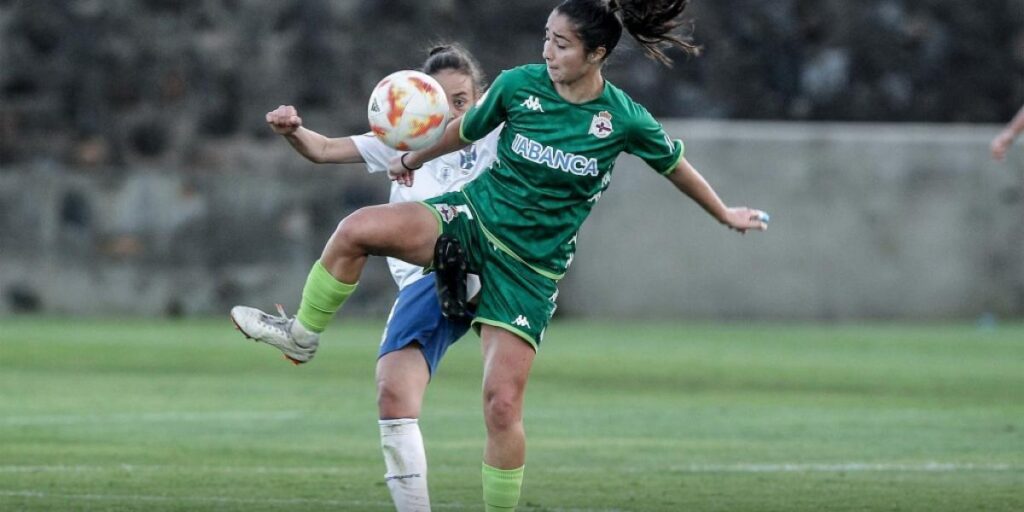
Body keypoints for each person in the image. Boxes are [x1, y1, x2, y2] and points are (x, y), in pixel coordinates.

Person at [233, 1, 769, 510]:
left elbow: (674, 164)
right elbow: (465, 130)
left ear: (596, 54)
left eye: (561, 44)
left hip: (530, 270)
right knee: (357, 229)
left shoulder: (622, 119)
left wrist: (723, 213)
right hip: (472, 221)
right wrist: (411, 156)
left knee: (502, 405)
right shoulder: (519, 85)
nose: (548, 52)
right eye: (546, 39)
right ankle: (302, 337)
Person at [232, 44, 500, 512]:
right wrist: (293, 130)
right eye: (444, 100)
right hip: (427, 281)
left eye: (462, 100)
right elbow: (323, 149)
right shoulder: (406, 135)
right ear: (424, 98)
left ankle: (301, 334)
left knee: (357, 229)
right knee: (393, 393)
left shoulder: (494, 130)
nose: (454, 110)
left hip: (477, 250)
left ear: (479, 99)